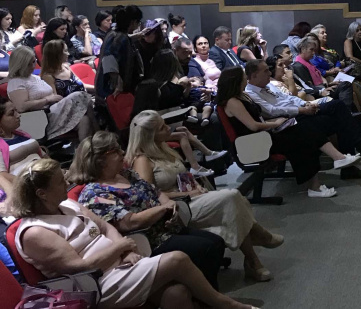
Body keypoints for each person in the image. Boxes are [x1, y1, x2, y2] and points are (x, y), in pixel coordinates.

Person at [12, 158, 256, 309]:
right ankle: (228, 305)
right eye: (58, 182)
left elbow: (107, 227)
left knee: (177, 294)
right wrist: (120, 248)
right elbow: (78, 266)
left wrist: (127, 250)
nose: (66, 183)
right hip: (97, 285)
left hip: (119, 266)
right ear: (42, 194)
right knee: (177, 259)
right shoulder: (34, 232)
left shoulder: (67, 205)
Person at [126, 110, 283, 282]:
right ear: (151, 135)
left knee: (234, 203)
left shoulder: (164, 148)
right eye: (162, 127)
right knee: (231, 197)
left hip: (190, 198)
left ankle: (253, 261)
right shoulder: (142, 160)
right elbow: (150, 197)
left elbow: (182, 177)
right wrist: (186, 193)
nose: (168, 128)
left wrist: (194, 187)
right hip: (176, 207)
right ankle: (260, 239)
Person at [69, 132, 227, 289]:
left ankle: (203, 291)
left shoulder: (126, 174)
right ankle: (206, 296)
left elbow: (156, 192)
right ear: (100, 160)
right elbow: (129, 222)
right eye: (115, 151)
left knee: (217, 242)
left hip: (167, 229)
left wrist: (170, 204)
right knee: (207, 249)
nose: (122, 152)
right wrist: (162, 209)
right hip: (148, 240)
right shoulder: (95, 193)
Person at [217, 66, 360, 198]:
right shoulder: (232, 102)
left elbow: (257, 120)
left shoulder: (241, 97)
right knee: (302, 134)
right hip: (254, 143)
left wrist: (277, 122)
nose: (245, 79)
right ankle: (317, 183)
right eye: (243, 77)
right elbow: (253, 125)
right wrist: (275, 123)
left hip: (262, 135)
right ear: (236, 81)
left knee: (305, 129)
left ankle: (333, 164)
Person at [245, 59, 361, 177]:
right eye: (265, 71)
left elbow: (289, 98)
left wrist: (306, 104)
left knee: (338, 109)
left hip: (300, 111)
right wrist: (302, 109)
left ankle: (351, 161)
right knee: (338, 112)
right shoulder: (251, 93)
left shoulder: (268, 85)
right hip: (288, 121)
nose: (270, 73)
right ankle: (359, 150)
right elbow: (272, 111)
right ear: (254, 75)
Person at [7, 46, 95, 141]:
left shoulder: (34, 77)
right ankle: (99, 135)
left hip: (50, 112)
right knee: (80, 95)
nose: (35, 64)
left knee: (84, 120)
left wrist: (53, 98)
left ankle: (87, 152)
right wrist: (47, 100)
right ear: (22, 64)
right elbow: (21, 107)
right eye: (31, 63)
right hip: (38, 119)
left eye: (35, 60)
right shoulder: (16, 82)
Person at [0, 98, 45, 213]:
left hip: (45, 177)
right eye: (12, 113)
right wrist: (30, 185)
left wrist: (58, 171)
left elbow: (43, 156)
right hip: (29, 186)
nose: (18, 115)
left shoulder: (22, 135)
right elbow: (2, 175)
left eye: (16, 111)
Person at [96, 5, 144, 99]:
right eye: (138, 22)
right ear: (133, 22)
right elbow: (108, 58)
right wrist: (117, 82)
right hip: (113, 89)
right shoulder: (118, 36)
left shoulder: (115, 33)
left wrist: (136, 36)